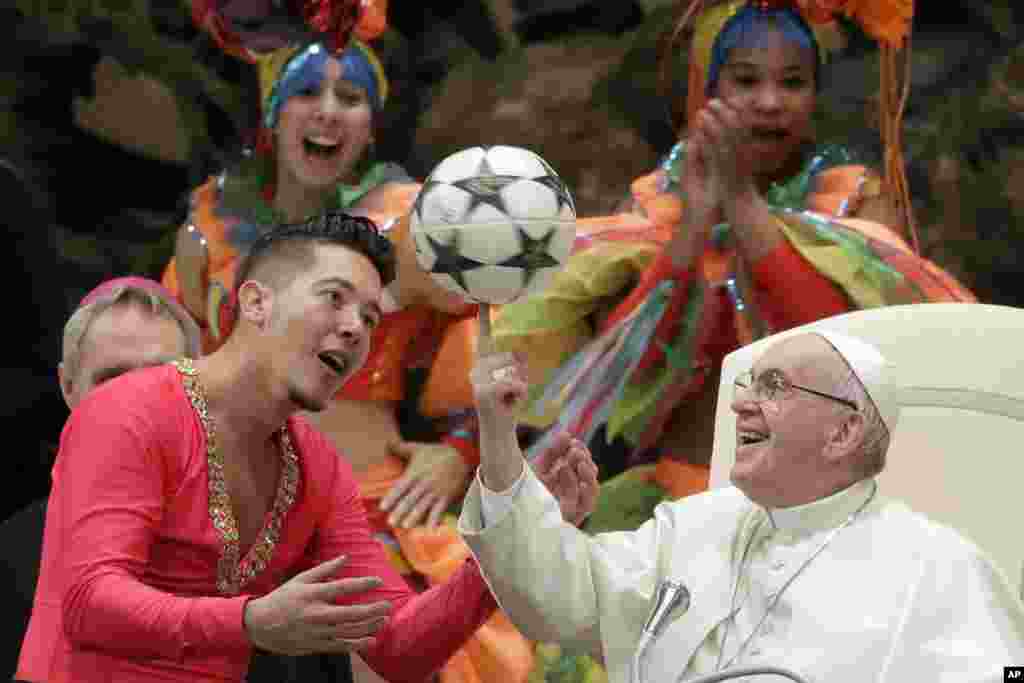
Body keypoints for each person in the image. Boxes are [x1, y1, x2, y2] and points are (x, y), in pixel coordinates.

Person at [164, 7, 554, 680]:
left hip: (369, 503)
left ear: (372, 122)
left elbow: (503, 336)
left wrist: (459, 450)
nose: (330, 112)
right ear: (271, 111)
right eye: (308, 93)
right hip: (229, 516)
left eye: (352, 98)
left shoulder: (406, 222)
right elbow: (167, 374)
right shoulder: (209, 229)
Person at [490, 0, 976, 533]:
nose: (770, 103)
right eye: (746, 81)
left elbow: (841, 348)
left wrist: (743, 203)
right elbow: (631, 371)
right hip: (679, 503)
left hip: (822, 512)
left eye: (793, 83)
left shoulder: (854, 203)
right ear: (706, 91)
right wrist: (697, 222)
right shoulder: (656, 209)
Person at [15, 213, 529, 683]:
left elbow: (395, 646)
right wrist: (249, 622)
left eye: (370, 318)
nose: (355, 327)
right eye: (334, 297)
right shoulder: (126, 409)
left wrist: (511, 541)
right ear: (257, 302)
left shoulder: (319, 468)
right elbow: (89, 604)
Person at [459, 326, 1024, 682]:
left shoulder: (936, 566)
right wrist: (499, 435)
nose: (742, 406)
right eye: (748, 386)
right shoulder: (696, 525)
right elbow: (558, 593)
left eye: (774, 387)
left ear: (843, 432)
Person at [3, 277, 202, 682]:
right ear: (68, 388)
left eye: (163, 378)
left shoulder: (267, 548)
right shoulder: (8, 558)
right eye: (113, 381)